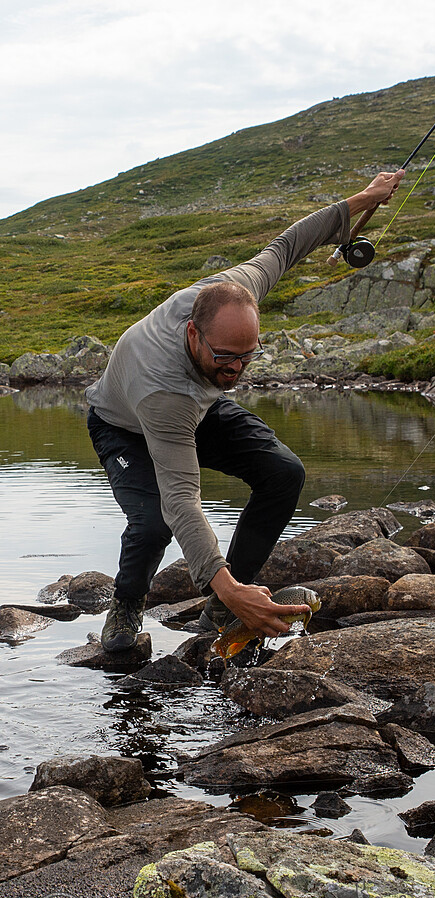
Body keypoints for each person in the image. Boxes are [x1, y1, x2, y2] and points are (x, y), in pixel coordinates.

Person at [86, 168, 405, 652]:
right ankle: (128, 604)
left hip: (200, 408)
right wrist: (225, 581)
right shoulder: (162, 390)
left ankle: (220, 611)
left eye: (247, 356)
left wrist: (364, 198)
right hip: (124, 424)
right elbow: (182, 500)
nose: (236, 369)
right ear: (193, 334)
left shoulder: (238, 287)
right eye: (224, 357)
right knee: (153, 523)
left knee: (283, 473)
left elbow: (291, 243)